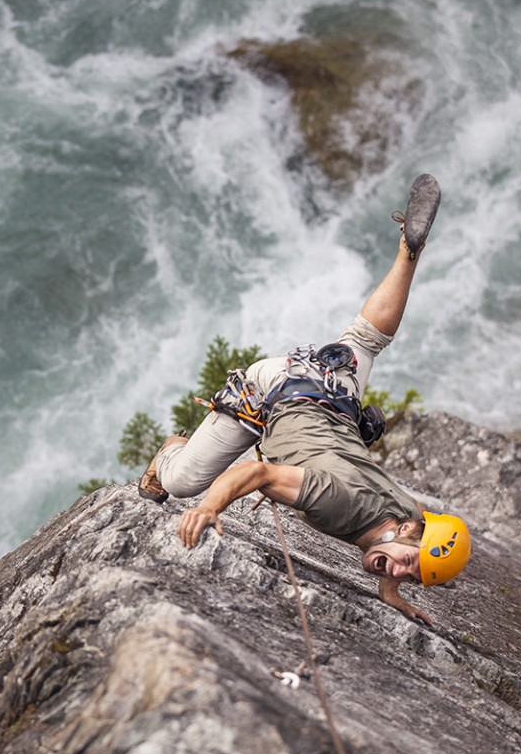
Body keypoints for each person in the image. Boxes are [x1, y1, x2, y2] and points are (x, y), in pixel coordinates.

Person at [137, 174, 470, 626]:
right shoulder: (340, 504)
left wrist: (391, 589)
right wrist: (209, 508)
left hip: (334, 384)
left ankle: (408, 252)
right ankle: (170, 453)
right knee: (180, 484)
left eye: (412, 577)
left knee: (366, 341)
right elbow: (255, 472)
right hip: (271, 390)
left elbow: (398, 545)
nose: (400, 571)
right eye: (409, 563)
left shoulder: (413, 517)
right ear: (410, 531)